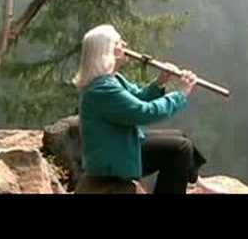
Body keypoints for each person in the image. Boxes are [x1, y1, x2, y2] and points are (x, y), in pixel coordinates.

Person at [73, 24, 207, 194]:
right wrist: (180, 94)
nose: (126, 45)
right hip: (114, 160)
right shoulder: (102, 89)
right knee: (180, 148)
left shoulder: (113, 80)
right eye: (119, 43)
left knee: (180, 136)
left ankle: (194, 181)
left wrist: (161, 81)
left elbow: (138, 97)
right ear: (106, 51)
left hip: (120, 147)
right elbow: (144, 112)